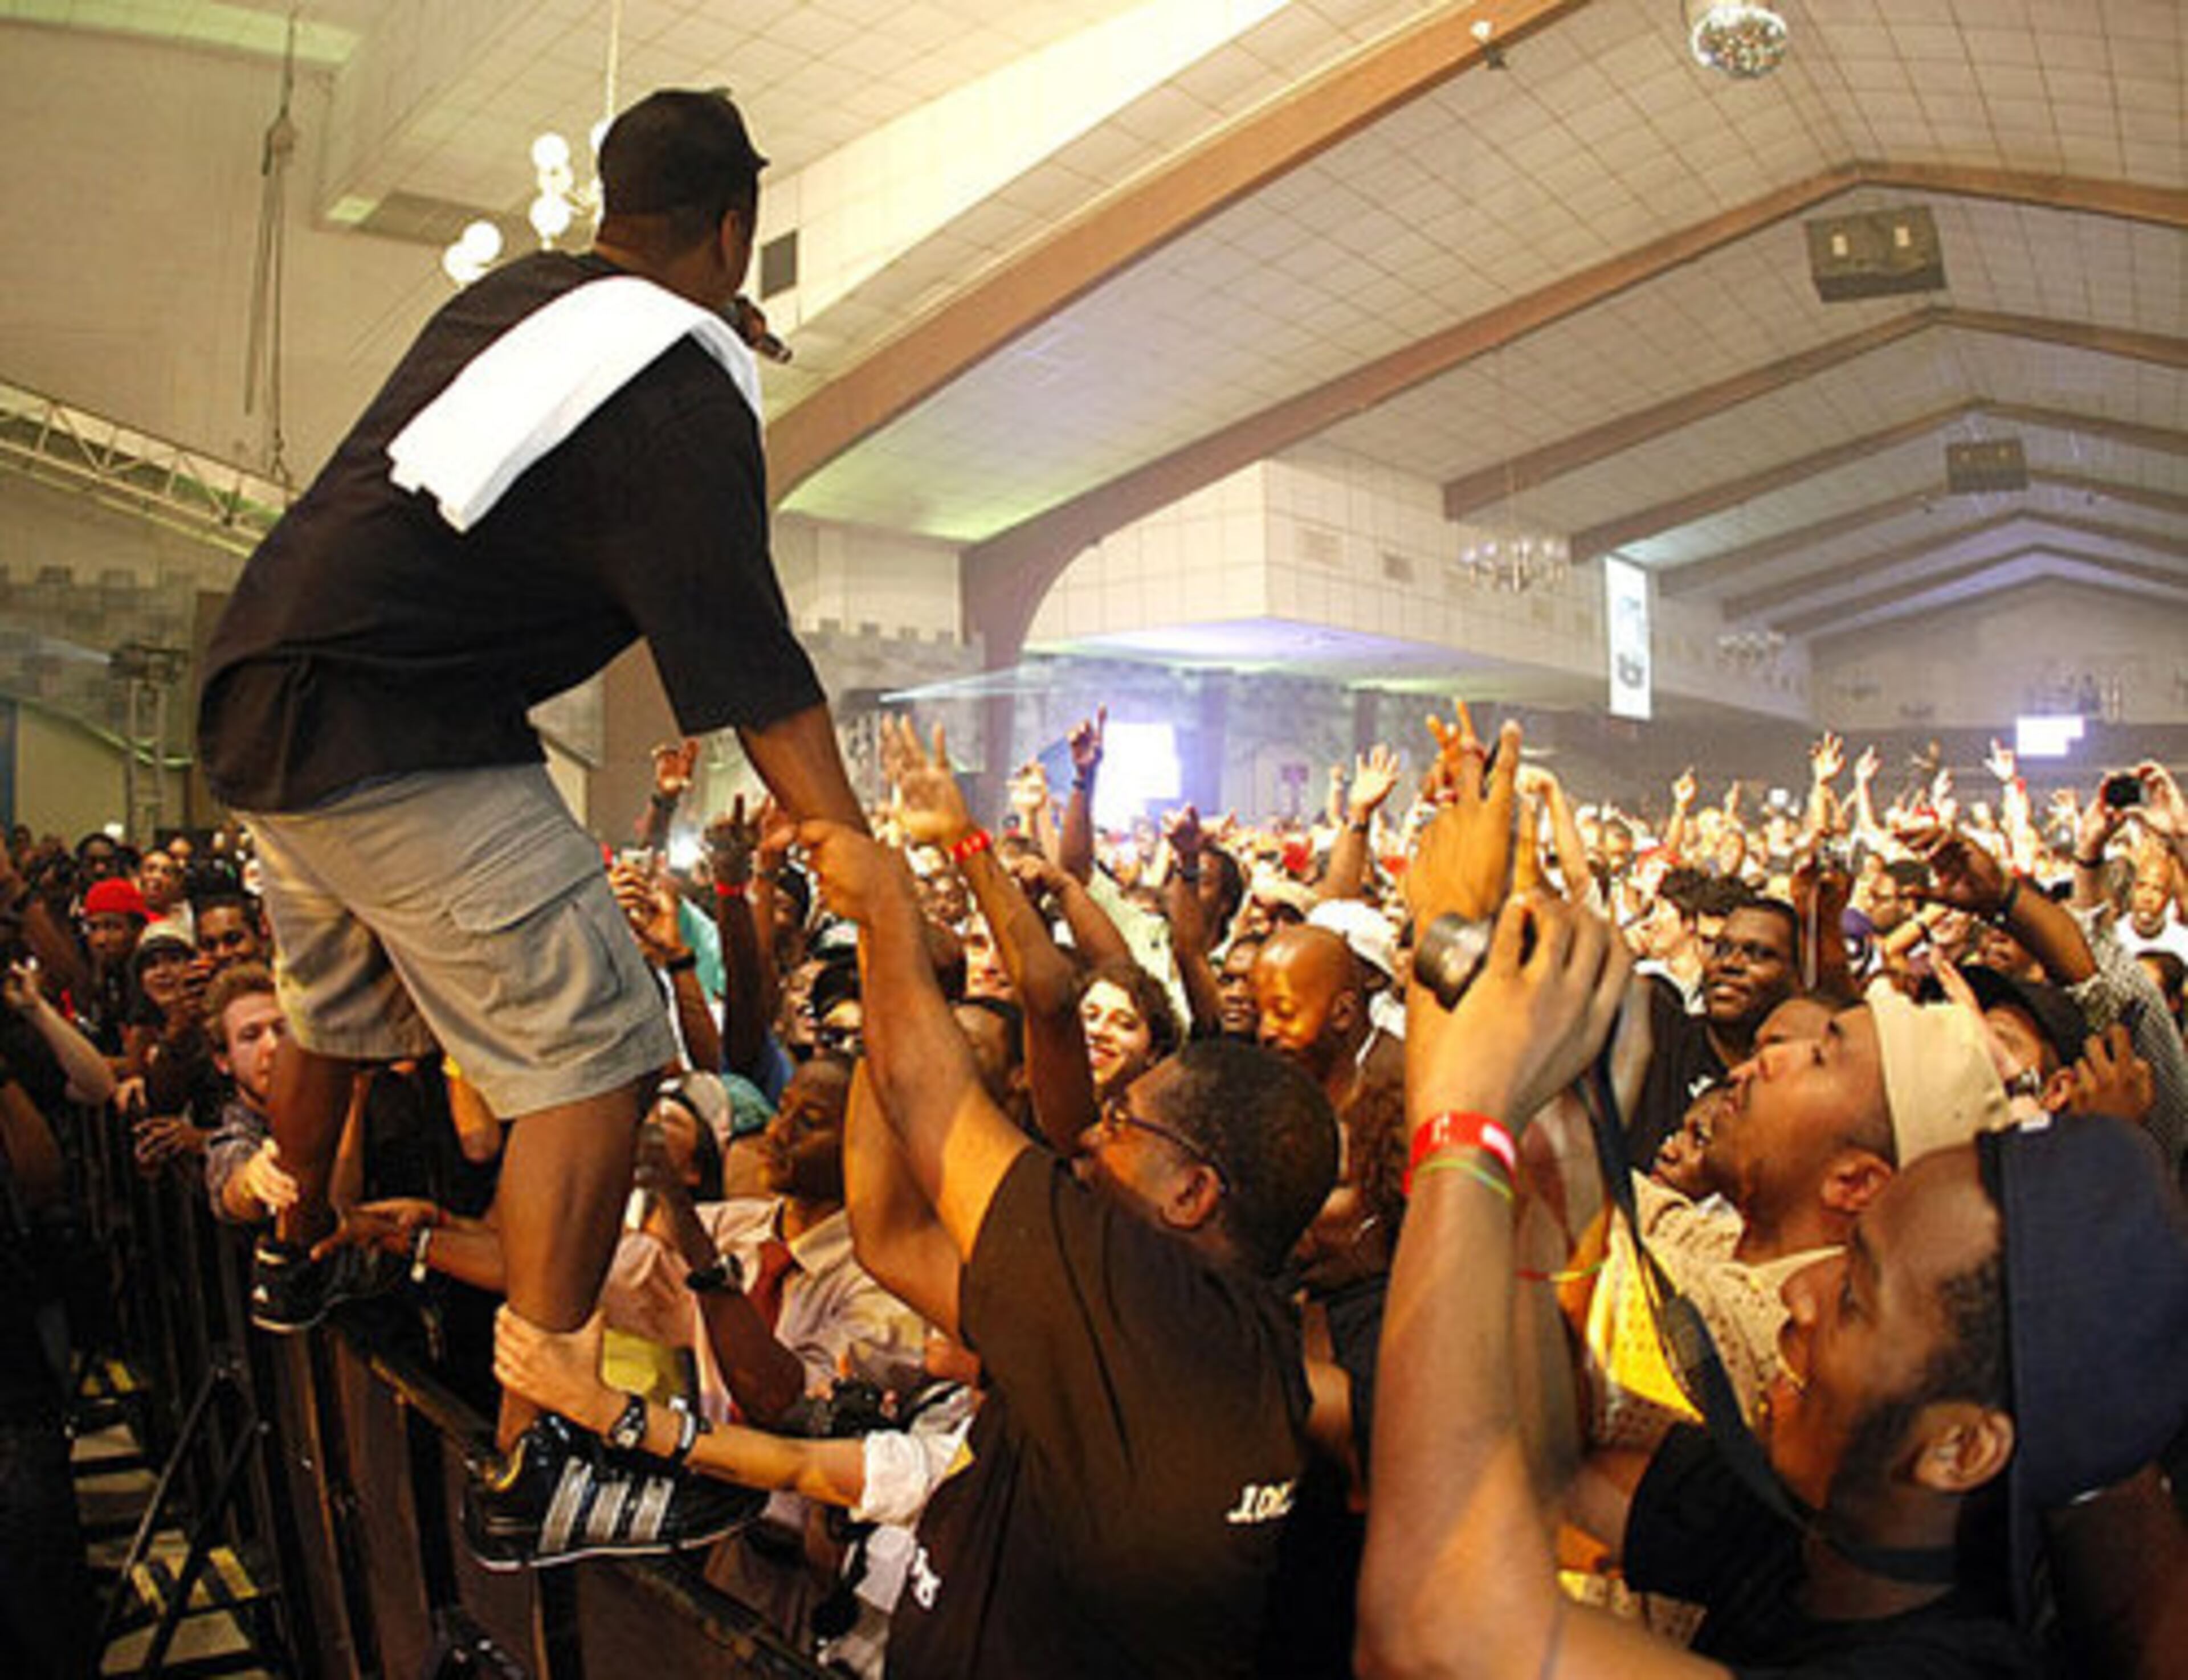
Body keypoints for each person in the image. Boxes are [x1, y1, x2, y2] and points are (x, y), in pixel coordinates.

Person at [193, 87, 866, 1567]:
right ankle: (550, 1440)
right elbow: (751, 666)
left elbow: (574, 408)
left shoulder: (530, 302)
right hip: (397, 723)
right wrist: (860, 859)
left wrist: (707, 344)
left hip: (265, 690)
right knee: (600, 1042)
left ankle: (293, 1248)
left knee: (333, 1006)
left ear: (610, 208)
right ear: (736, 230)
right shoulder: (675, 389)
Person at [1358, 821, 2188, 1674]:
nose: (1799, 1294)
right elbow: (1542, 1464)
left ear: (1960, 1448)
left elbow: (1432, 1634)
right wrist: (1559, 1135)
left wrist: (1463, 1120)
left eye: (1857, 1295)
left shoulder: (1928, 1668)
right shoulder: (1816, 1526)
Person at [797, 812, 1338, 1677]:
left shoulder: (1154, 1317)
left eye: (1122, 1124)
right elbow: (892, 1235)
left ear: (1192, 1193)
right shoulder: (1217, 1339)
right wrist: (892, 997)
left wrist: (889, 917)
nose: (1088, 1141)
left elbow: (934, 1099)